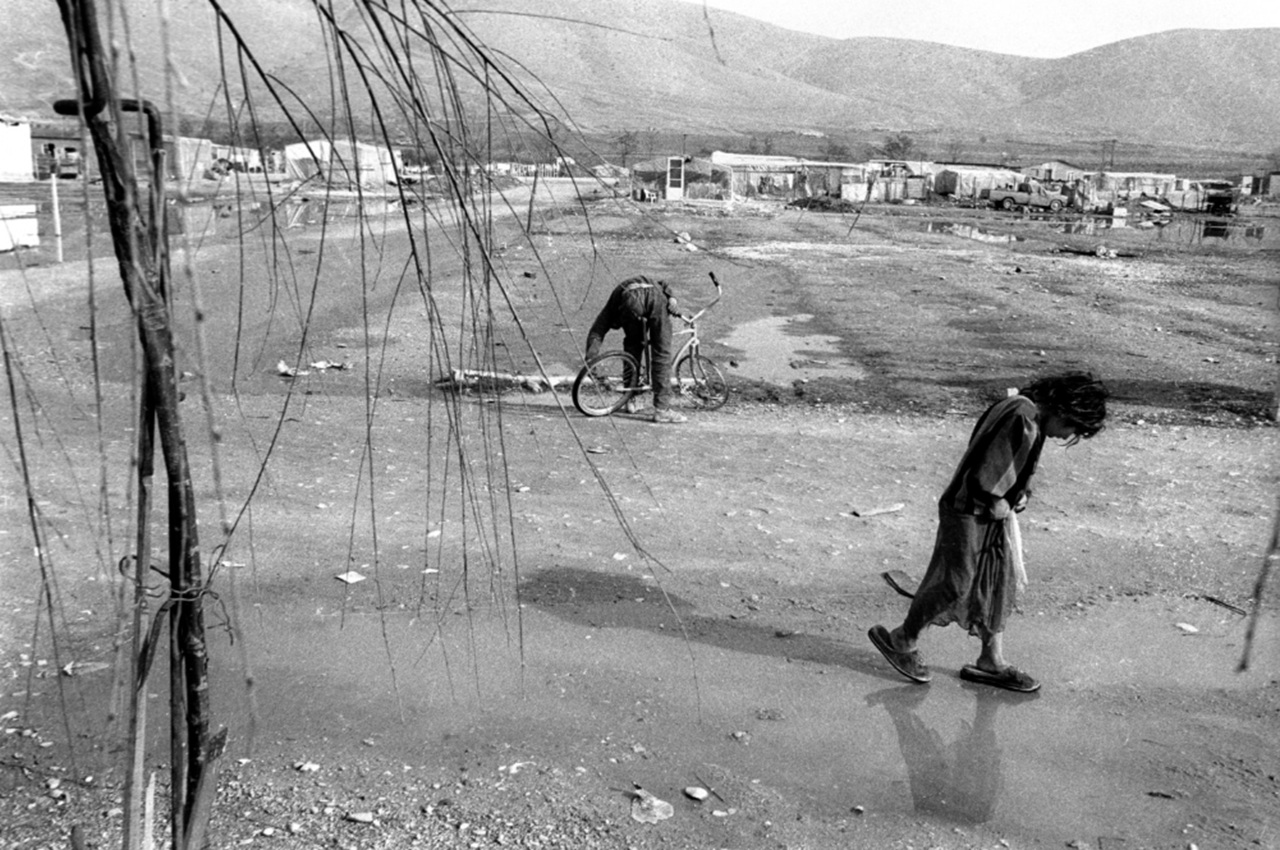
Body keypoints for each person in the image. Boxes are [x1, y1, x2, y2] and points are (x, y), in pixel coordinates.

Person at [868, 372, 1109, 693]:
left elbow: (1013, 465)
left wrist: (1019, 495)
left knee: (996, 583)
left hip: (988, 510)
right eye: (1073, 429)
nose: (1066, 436)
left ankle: (991, 660)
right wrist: (997, 499)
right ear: (1066, 410)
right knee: (955, 581)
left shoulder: (1025, 410)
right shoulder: (1022, 416)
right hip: (969, 510)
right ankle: (901, 639)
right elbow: (988, 469)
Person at [584, 275, 688, 424]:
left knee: (632, 347)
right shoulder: (644, 283)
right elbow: (663, 283)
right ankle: (662, 410)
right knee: (661, 352)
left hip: (630, 301)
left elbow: (596, 332)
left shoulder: (614, 303)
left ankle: (630, 399)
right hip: (656, 298)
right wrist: (672, 298)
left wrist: (590, 362)